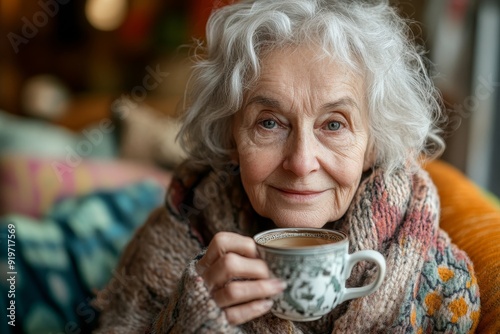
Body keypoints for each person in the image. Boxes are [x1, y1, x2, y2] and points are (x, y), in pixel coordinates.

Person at [93, 0, 480, 332]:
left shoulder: (442, 286)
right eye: (269, 122)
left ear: (372, 145)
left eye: (333, 124)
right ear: (231, 138)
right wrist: (188, 318)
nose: (300, 162)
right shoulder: (175, 229)